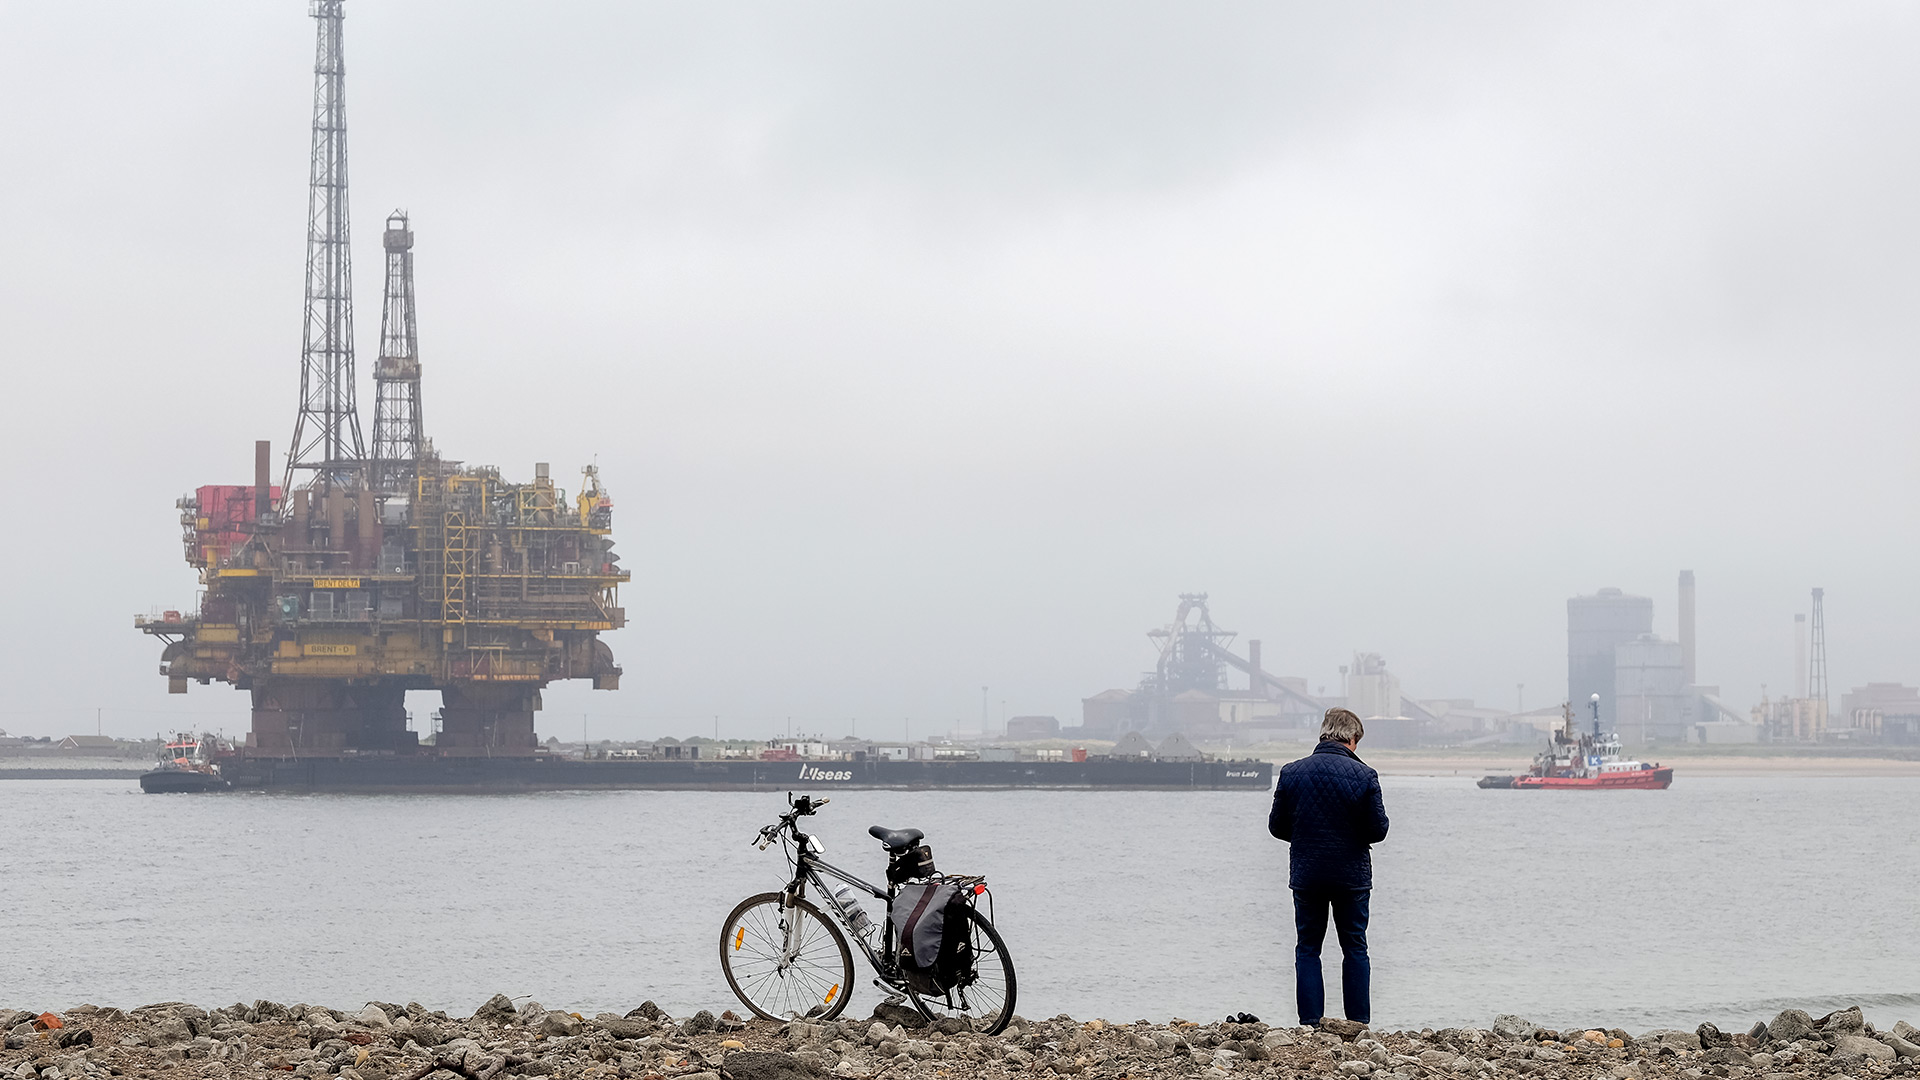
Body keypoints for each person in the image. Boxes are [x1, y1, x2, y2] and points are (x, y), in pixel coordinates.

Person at [1268, 707, 1390, 1028]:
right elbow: (1378, 830)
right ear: (1351, 739)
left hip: (1308, 874)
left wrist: (1306, 837)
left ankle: (1310, 1024)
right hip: (1352, 877)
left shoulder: (1291, 773)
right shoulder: (1365, 776)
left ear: (1323, 734)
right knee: (1354, 947)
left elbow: (1277, 827)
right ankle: (1359, 1023)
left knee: (1308, 948)